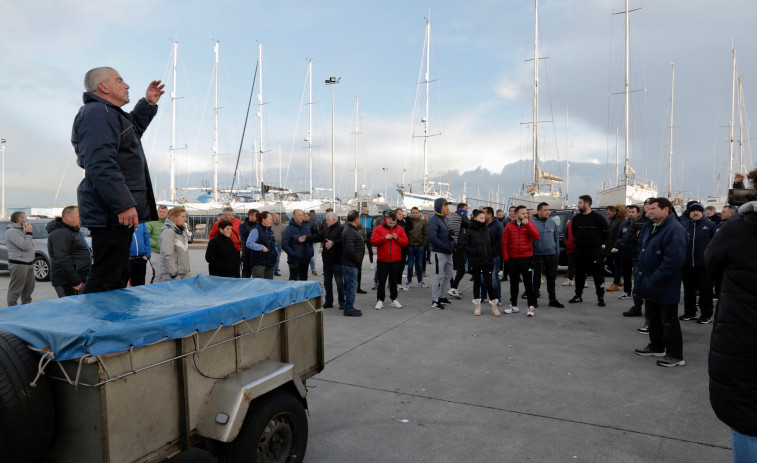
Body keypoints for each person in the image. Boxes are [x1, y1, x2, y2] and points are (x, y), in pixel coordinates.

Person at [72, 67, 164, 293]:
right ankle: (96, 326)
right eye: (120, 80)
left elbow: (130, 133)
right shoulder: (97, 114)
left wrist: (148, 103)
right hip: (109, 211)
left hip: (112, 211)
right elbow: (100, 163)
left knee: (118, 275)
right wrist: (122, 203)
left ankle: (110, 324)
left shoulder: (108, 114)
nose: (127, 85)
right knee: (108, 277)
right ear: (103, 87)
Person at [706, 168, 757, 461]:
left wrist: (741, 216)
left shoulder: (740, 227)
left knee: (747, 414)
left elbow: (711, 261)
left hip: (744, 337)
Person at [633, 197, 687, 367]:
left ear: (666, 210)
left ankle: (675, 355)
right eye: (648, 208)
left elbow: (674, 260)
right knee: (653, 318)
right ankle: (657, 346)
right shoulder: (651, 226)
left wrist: (654, 279)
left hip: (664, 284)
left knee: (668, 321)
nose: (649, 211)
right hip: (650, 282)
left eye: (654, 208)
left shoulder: (674, 229)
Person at [568, 195, 609, 307]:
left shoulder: (598, 218)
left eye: (580, 202)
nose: (578, 205)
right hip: (580, 251)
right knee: (579, 274)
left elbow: (605, 233)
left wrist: (596, 243)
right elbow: (574, 232)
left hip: (594, 251)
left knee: (598, 275)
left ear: (587, 204)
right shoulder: (577, 218)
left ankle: (600, 297)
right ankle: (578, 296)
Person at [679, 202, 716, 324]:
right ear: (689, 213)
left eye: (698, 210)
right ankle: (690, 312)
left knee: (706, 292)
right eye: (693, 211)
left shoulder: (711, 225)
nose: (695, 213)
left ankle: (706, 314)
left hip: (704, 266)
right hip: (687, 265)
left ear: (703, 212)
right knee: (688, 291)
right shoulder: (683, 226)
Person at [501, 206, 540, 317]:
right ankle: (513, 306)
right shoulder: (509, 226)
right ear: (516, 214)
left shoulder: (530, 224)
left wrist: (527, 224)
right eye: (523, 213)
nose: (525, 215)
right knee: (513, 284)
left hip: (526, 258)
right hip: (512, 259)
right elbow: (504, 243)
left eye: (526, 213)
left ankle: (531, 307)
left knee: (528, 284)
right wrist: (506, 259)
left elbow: (536, 236)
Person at [460, 210, 500, 316]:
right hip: (476, 261)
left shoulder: (487, 230)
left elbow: (491, 244)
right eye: (481, 218)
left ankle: (494, 306)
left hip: (487, 261)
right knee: (477, 283)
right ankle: (477, 306)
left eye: (484, 217)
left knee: (489, 283)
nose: (483, 219)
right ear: (475, 218)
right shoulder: (470, 231)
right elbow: (464, 245)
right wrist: (475, 252)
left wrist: (491, 254)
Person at [46, 206, 91, 298]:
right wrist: (76, 282)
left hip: (78, 279)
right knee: (72, 309)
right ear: (67, 218)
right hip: (68, 282)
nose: (82, 219)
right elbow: (62, 259)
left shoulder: (73, 231)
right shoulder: (61, 233)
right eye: (79, 216)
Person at [370, 213, 409, 309]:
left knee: (393, 281)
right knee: (381, 281)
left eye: (394, 223)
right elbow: (372, 241)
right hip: (383, 260)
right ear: (386, 220)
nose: (392, 225)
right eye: (390, 223)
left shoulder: (400, 229)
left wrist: (397, 238)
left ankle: (394, 299)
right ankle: (380, 300)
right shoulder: (379, 228)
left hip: (396, 260)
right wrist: (384, 238)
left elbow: (406, 242)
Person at [306, 212, 344, 308]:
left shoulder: (341, 229)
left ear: (334, 220)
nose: (326, 222)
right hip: (327, 261)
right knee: (327, 282)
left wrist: (334, 243)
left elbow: (344, 241)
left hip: (338, 261)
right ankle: (329, 301)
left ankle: (342, 302)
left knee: (339, 283)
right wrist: (307, 238)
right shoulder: (327, 229)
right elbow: (318, 237)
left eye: (328, 220)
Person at [531, 203, 564, 308]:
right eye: (545, 210)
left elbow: (556, 239)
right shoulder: (532, 223)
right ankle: (534, 299)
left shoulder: (552, 223)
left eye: (548, 210)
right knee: (536, 278)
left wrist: (557, 253)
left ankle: (552, 299)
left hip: (552, 255)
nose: (548, 212)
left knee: (551, 279)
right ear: (539, 211)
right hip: (538, 255)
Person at [428, 198, 455, 309]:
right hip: (439, 253)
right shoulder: (433, 220)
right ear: (439, 207)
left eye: (447, 206)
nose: (447, 208)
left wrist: (454, 244)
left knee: (448, 275)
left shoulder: (446, 219)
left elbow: (450, 235)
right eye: (445, 206)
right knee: (437, 277)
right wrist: (446, 247)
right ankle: (435, 300)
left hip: (448, 253)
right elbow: (433, 238)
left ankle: (442, 296)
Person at [5, 212, 36, 306]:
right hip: (19, 264)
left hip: (29, 263)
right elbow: (24, 246)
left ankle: (26, 307)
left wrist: (28, 235)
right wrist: (29, 233)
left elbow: (29, 244)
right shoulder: (11, 231)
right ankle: (12, 309)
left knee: (29, 288)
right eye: (25, 217)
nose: (27, 219)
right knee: (16, 289)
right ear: (20, 219)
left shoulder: (22, 230)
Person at [156, 207, 191, 282]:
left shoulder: (183, 231)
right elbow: (167, 254)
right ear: (174, 218)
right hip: (172, 275)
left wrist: (187, 269)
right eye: (183, 216)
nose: (185, 219)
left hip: (184, 272)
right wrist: (173, 274)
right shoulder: (168, 232)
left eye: (185, 216)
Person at [342, 210, 365, 317]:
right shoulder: (350, 231)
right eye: (359, 217)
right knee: (351, 286)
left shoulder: (349, 229)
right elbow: (350, 249)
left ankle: (348, 306)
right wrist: (358, 261)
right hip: (351, 264)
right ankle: (349, 308)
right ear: (356, 219)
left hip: (351, 263)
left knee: (350, 285)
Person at [282, 209, 314, 281]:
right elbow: (284, 244)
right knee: (294, 280)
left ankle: (303, 292)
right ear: (294, 216)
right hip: (294, 261)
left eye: (302, 215)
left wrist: (311, 252)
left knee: (304, 279)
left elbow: (310, 241)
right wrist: (294, 254)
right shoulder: (289, 229)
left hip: (305, 259)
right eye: (299, 215)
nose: (301, 217)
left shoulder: (306, 228)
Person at [616, 205, 640, 303]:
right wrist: (621, 243)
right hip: (625, 252)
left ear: (638, 213)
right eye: (629, 212)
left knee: (638, 274)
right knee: (626, 274)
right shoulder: (624, 224)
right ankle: (627, 292)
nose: (630, 214)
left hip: (637, 253)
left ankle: (638, 293)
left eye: (633, 212)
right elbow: (618, 236)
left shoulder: (641, 224)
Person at [447, 203, 469, 299]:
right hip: (458, 245)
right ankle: (453, 287)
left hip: (456, 245)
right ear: (460, 209)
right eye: (465, 209)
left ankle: (453, 288)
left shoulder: (455, 216)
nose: (467, 211)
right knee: (461, 269)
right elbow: (469, 223)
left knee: (455, 269)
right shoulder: (460, 217)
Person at [482, 207, 504, 304]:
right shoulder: (481, 224)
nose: (482, 215)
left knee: (494, 277)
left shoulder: (498, 225)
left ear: (490, 215)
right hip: (483, 255)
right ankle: (483, 297)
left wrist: (492, 252)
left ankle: (497, 298)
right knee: (483, 276)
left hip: (494, 256)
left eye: (484, 213)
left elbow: (500, 241)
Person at [246, 212, 278, 280]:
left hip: (270, 262)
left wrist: (275, 251)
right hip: (259, 263)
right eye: (270, 219)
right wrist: (261, 247)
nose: (271, 221)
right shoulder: (256, 230)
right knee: (259, 285)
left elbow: (273, 243)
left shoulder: (270, 230)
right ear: (263, 220)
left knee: (268, 284)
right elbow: (249, 243)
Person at [405, 207, 428, 288]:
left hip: (420, 246)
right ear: (411, 213)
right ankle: (409, 281)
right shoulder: (408, 221)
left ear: (418, 213)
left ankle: (420, 281)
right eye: (413, 212)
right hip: (410, 246)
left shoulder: (423, 222)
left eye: (416, 212)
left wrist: (424, 245)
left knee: (419, 265)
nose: (415, 214)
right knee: (410, 265)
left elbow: (426, 233)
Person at [604, 205, 625, 292]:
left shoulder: (621, 221)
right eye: (607, 214)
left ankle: (615, 284)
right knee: (607, 262)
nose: (608, 216)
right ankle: (617, 278)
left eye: (609, 214)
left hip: (617, 247)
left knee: (617, 264)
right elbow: (608, 232)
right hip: (609, 246)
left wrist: (616, 246)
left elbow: (620, 235)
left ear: (614, 212)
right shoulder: (612, 220)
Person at [146, 205, 167, 282]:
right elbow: (146, 236)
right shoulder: (151, 222)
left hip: (165, 252)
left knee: (165, 274)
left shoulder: (168, 223)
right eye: (160, 211)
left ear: (166, 212)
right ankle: (153, 290)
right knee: (158, 273)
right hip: (154, 251)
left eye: (164, 212)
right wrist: (156, 244)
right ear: (157, 212)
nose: (162, 213)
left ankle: (161, 290)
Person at [394, 208, 413, 289]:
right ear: (395, 215)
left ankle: (399, 282)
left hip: (404, 247)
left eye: (402, 214)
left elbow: (411, 226)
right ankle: (395, 282)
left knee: (402, 266)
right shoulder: (395, 223)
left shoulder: (403, 222)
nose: (401, 215)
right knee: (396, 266)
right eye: (399, 214)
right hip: (397, 248)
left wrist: (407, 218)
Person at [238, 209, 259, 278]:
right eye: (256, 216)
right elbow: (247, 238)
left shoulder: (258, 225)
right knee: (246, 273)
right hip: (247, 253)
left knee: (257, 274)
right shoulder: (243, 226)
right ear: (250, 216)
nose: (258, 218)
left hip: (257, 253)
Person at [561, 209, 578, 286]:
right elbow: (565, 235)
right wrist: (566, 242)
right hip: (570, 248)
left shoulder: (582, 223)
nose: (574, 216)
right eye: (573, 214)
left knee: (580, 265)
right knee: (570, 266)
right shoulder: (570, 223)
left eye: (575, 214)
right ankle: (570, 280)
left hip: (579, 249)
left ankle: (583, 281)